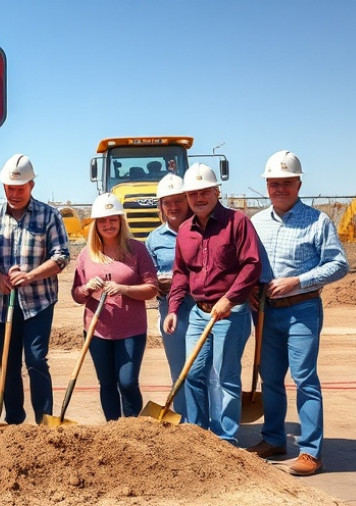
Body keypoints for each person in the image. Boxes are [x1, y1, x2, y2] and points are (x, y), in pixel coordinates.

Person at [245, 151, 348, 476]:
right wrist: (249, 288)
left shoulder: (318, 222)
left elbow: (339, 264)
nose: (280, 189)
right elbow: (249, 263)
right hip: (265, 312)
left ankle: (311, 453)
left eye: (286, 183)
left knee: (305, 379)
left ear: (298, 183)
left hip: (302, 309)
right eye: (274, 183)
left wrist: (298, 281)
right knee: (271, 379)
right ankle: (274, 439)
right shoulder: (256, 222)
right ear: (267, 186)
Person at [164, 163, 262, 443]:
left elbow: (251, 265)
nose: (199, 198)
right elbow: (181, 272)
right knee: (193, 374)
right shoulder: (185, 231)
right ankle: (199, 436)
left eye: (205, 191)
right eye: (193, 193)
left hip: (231, 313)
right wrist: (173, 309)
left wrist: (229, 299)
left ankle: (226, 439)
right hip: (198, 313)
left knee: (226, 377)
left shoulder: (237, 222)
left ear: (217, 190)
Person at [0, 154, 70, 424]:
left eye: (20, 188)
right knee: (8, 363)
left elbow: (61, 256)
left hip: (39, 302)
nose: (14, 193)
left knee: (36, 360)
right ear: (3, 186)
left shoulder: (49, 216)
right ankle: (14, 420)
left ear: (31, 185)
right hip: (2, 304)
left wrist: (30, 276)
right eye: (9, 188)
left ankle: (45, 421)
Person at [72, 193, 157, 420]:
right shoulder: (85, 255)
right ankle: (113, 429)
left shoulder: (137, 250)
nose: (108, 225)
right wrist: (87, 287)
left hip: (131, 330)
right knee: (107, 383)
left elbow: (152, 288)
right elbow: (76, 295)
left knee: (127, 381)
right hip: (97, 330)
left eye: (113, 219)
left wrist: (124, 289)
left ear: (121, 221)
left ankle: (132, 427)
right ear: (96, 224)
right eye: (102, 220)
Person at [145, 173, 195, 419]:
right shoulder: (154, 238)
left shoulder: (202, 229)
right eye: (168, 202)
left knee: (206, 368)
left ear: (187, 199)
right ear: (161, 206)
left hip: (200, 306)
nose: (173, 206)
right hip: (170, 309)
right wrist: (157, 282)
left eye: (178, 200)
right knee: (179, 368)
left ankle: (210, 426)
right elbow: (148, 274)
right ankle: (186, 423)